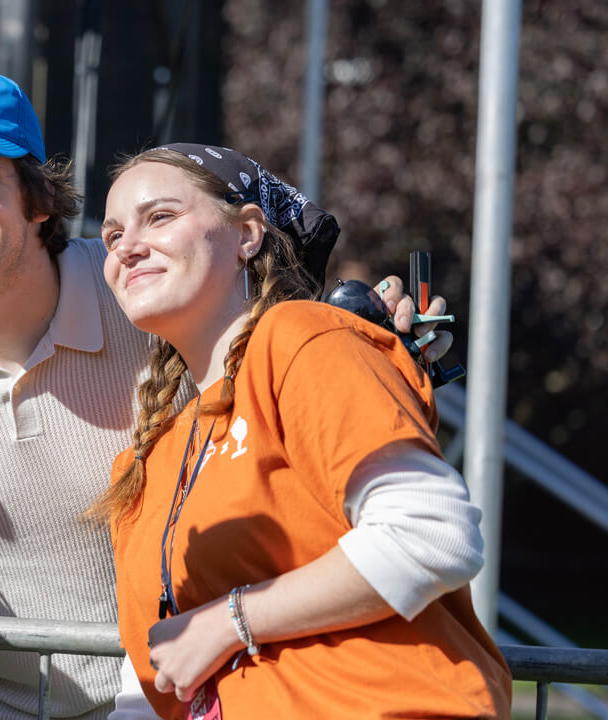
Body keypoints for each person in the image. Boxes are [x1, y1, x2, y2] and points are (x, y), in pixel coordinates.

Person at [0, 67, 449, 718]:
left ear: (35, 198)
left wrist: (374, 346)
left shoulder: (144, 291)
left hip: (206, 703)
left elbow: (289, 382)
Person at [95, 143, 511, 718]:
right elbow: (147, 687)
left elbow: (431, 535)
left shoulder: (301, 337)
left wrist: (228, 621)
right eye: (112, 236)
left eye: (160, 217)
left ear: (247, 233)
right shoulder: (146, 461)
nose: (128, 247)